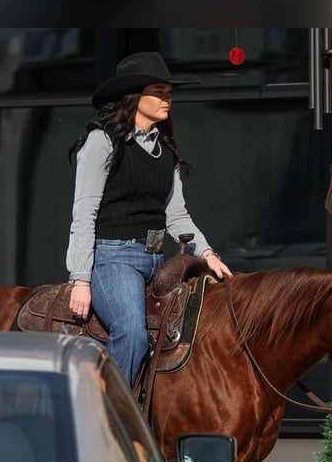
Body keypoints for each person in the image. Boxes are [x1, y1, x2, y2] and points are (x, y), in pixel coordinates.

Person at [66, 51, 232, 387]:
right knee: (132, 333)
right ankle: (112, 423)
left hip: (156, 261)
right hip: (112, 260)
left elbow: (177, 215)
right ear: (134, 96)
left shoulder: (165, 151)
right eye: (159, 91)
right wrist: (80, 279)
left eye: (169, 92)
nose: (167, 99)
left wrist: (208, 254)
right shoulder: (102, 141)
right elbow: (84, 213)